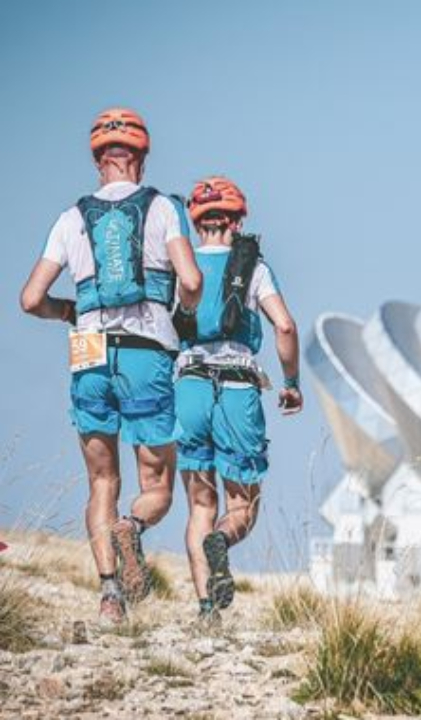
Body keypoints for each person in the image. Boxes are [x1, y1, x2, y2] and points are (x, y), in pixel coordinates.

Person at [19, 107, 203, 623]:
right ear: (141, 159)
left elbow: (30, 299)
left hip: (89, 351)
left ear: (98, 160)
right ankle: (132, 528)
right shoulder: (163, 208)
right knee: (157, 486)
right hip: (146, 348)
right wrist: (183, 312)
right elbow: (190, 282)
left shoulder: (71, 219)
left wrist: (67, 312)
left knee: (102, 482)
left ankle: (109, 598)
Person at [175, 176, 302, 623]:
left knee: (200, 506)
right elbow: (284, 326)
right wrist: (291, 382)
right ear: (238, 221)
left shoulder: (180, 266)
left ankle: (206, 609)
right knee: (242, 507)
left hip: (189, 386)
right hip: (236, 388)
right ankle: (223, 541)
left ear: (197, 223)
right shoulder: (253, 268)